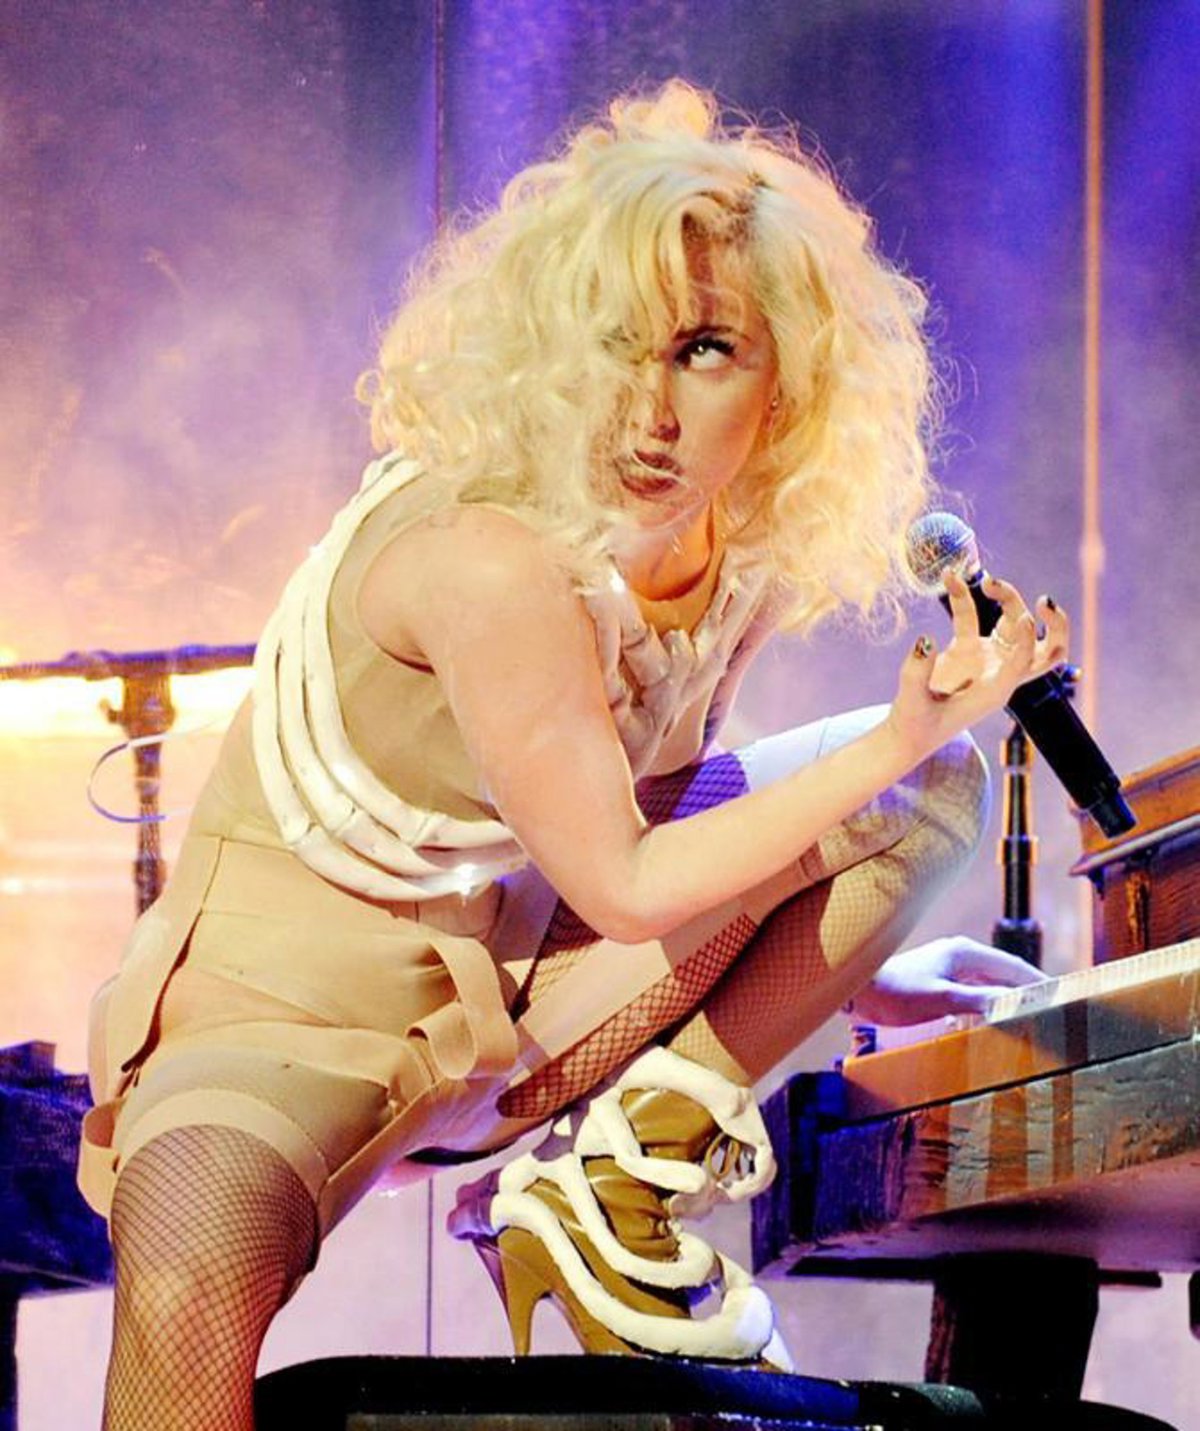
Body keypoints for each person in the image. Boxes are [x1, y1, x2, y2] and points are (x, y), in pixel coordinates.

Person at [78, 80, 1064, 1429]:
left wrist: (852, 960)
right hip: (273, 1022)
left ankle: (605, 1179)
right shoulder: (487, 553)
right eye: (614, 344)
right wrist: (902, 727)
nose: (649, 411)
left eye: (706, 349)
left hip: (523, 992)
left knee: (930, 791)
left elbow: (651, 826)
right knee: (188, 1298)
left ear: (787, 381)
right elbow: (632, 885)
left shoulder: (732, 544)